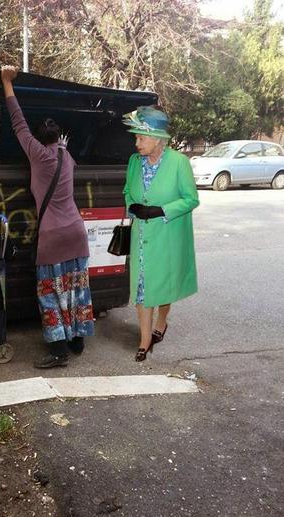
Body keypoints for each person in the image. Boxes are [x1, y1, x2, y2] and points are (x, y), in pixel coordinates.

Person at [1, 65, 94, 368]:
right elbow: (62, 147)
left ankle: (58, 353)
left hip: (52, 237)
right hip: (76, 233)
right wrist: (60, 143)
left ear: (40, 142)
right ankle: (77, 339)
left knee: (50, 294)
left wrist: (7, 84)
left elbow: (18, 123)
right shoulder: (67, 156)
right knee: (77, 288)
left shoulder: (38, 154)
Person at [122, 106, 199, 362]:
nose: (137, 143)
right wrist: (132, 206)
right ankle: (144, 339)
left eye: (141, 138)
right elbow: (127, 191)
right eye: (136, 137)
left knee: (163, 287)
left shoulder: (179, 163)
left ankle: (162, 321)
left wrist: (161, 210)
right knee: (142, 287)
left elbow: (191, 199)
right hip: (141, 237)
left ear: (157, 138)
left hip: (167, 237)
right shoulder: (134, 162)